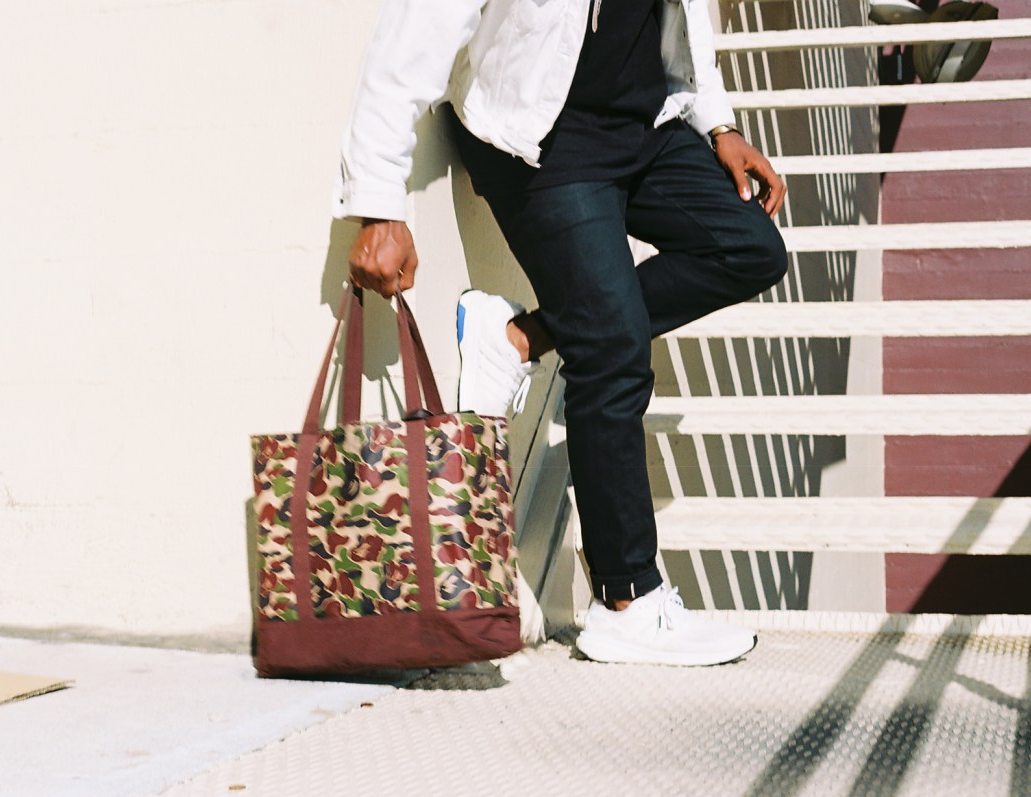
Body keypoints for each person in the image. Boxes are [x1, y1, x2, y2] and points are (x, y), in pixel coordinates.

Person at [335, 0, 788, 666]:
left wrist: (717, 122)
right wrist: (378, 203)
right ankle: (626, 602)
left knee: (750, 249)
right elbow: (411, 38)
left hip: (644, 128)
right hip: (539, 138)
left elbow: (686, 16)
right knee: (613, 349)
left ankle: (521, 338)